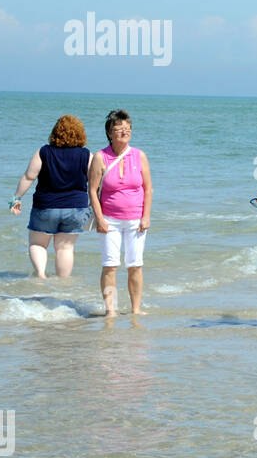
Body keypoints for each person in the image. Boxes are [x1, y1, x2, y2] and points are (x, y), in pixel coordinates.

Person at [9, 115, 93, 279]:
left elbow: (29, 177)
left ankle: (41, 274)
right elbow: (96, 181)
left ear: (56, 132)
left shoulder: (44, 152)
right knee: (65, 248)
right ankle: (62, 284)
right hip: (75, 208)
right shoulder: (86, 155)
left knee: (37, 244)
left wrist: (16, 198)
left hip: (46, 207)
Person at [89, 110, 153, 316]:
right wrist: (99, 219)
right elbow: (92, 190)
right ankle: (111, 310)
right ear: (109, 133)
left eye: (128, 129)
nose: (124, 132)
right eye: (119, 129)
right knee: (110, 265)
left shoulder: (139, 155)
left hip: (136, 219)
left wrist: (146, 216)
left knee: (135, 265)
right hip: (109, 220)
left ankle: (136, 309)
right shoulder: (100, 157)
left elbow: (148, 188)